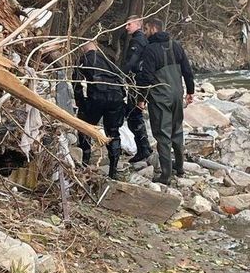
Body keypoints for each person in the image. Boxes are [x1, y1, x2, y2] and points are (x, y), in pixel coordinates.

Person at [136, 18, 194, 185]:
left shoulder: (150, 50)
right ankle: (180, 167)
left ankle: (166, 175)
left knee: (163, 134)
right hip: (177, 94)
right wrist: (190, 91)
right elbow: (187, 71)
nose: (144, 32)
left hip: (160, 96)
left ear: (154, 29)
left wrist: (141, 98)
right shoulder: (175, 45)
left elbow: (145, 77)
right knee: (177, 130)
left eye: (146, 29)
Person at [73, 41, 125, 179]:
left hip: (97, 96)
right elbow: (121, 79)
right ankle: (113, 170)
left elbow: (76, 84)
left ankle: (85, 161)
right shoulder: (109, 61)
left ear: (83, 49)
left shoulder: (82, 60)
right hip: (116, 97)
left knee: (85, 127)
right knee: (113, 132)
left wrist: (81, 103)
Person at [121, 16, 153, 164]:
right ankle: (144, 148)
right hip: (139, 82)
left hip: (137, 82)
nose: (126, 27)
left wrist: (120, 75)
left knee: (134, 115)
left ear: (137, 25)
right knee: (134, 113)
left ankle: (143, 149)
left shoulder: (137, 40)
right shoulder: (141, 39)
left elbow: (132, 61)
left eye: (129, 24)